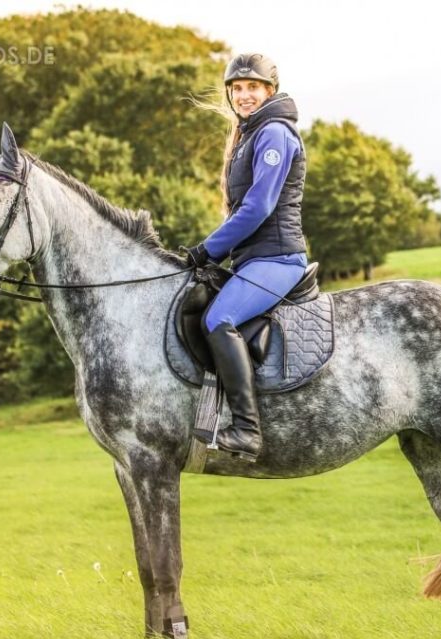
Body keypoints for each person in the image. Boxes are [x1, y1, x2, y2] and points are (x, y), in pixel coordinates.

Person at [184, 53, 309, 461]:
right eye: (236, 89)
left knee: (219, 319)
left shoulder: (274, 132)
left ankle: (247, 430)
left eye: (252, 87)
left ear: (269, 91)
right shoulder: (249, 135)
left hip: (278, 259)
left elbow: (258, 207)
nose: (244, 95)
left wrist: (208, 250)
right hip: (252, 261)